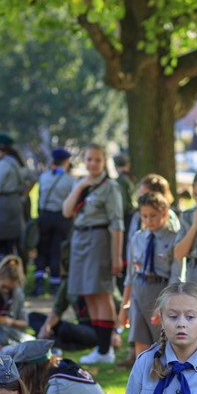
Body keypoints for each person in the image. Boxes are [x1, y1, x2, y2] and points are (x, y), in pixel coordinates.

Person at [62, 143, 123, 365]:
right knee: (87, 293)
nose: (92, 164)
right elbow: (67, 211)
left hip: (99, 240)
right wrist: (80, 187)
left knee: (102, 292)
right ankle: (100, 347)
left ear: (104, 161)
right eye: (89, 159)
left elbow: (117, 223)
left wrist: (117, 256)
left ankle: (106, 349)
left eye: (97, 160)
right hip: (79, 239)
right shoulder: (81, 183)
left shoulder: (110, 187)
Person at [120, 191, 176, 360]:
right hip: (139, 289)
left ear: (164, 214)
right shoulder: (138, 238)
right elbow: (130, 274)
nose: (148, 220)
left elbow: (176, 275)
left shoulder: (173, 238)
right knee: (140, 339)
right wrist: (124, 306)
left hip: (161, 290)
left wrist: (166, 303)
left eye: (153, 216)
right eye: (144, 216)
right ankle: (142, 380)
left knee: (163, 342)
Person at [33, 148, 75, 297]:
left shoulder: (44, 176)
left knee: (42, 248)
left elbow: (38, 197)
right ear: (66, 161)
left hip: (44, 215)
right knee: (57, 249)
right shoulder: (70, 180)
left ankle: (38, 284)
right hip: (61, 217)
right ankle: (54, 285)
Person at [0, 134, 35, 258]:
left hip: (3, 205)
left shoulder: (3, 164)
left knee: (2, 240)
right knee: (17, 238)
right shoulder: (18, 162)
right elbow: (33, 178)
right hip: (16, 202)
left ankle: (3, 264)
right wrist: (24, 196)